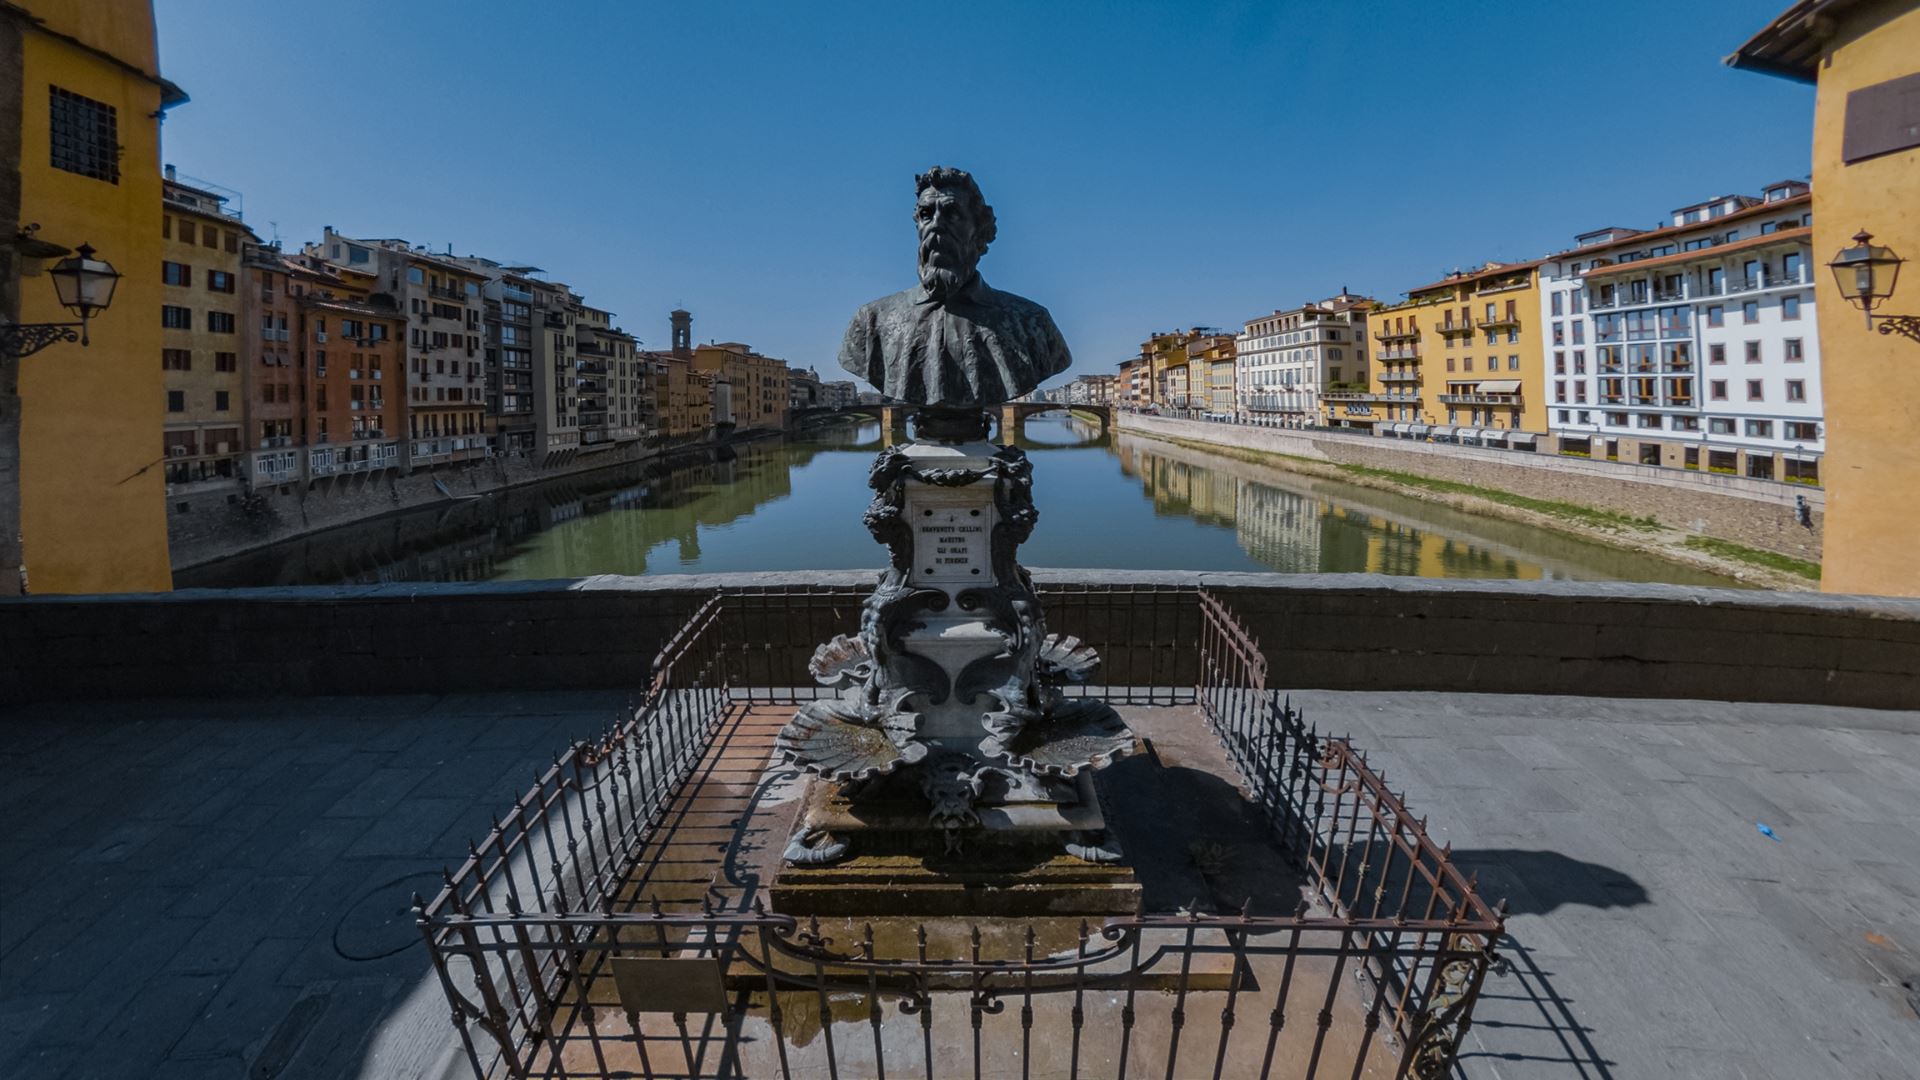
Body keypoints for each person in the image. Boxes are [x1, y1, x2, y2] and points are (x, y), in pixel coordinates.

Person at [839, 167, 1072, 407]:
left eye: (953, 215)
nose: (936, 225)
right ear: (917, 225)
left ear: (979, 230)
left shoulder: (1031, 322)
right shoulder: (872, 322)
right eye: (926, 214)